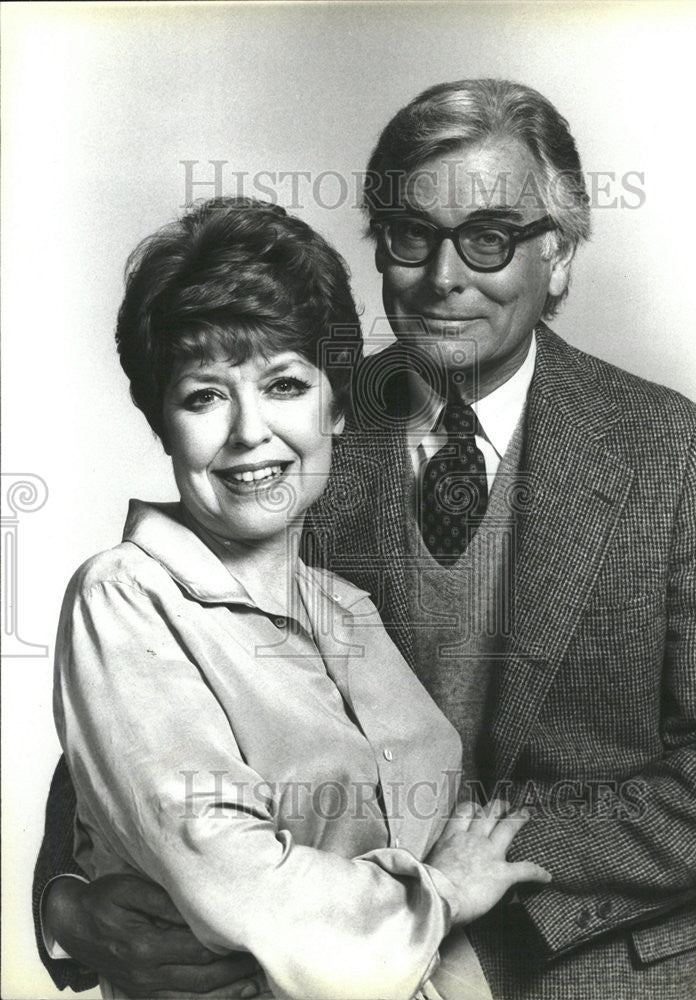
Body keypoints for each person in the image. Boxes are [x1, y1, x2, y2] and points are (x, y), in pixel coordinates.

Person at [34, 80, 696, 1000]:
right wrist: (70, 901)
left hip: (593, 966)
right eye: (411, 236)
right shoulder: (299, 419)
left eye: (489, 237)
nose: (445, 276)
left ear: (555, 257)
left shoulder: (665, 449)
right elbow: (153, 704)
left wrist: (488, 867)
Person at [40, 195, 551, 1000]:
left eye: (283, 384)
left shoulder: (351, 611)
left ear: (337, 406)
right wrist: (442, 891)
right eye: (204, 395)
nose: (249, 432)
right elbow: (245, 889)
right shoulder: (124, 599)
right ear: (162, 423)